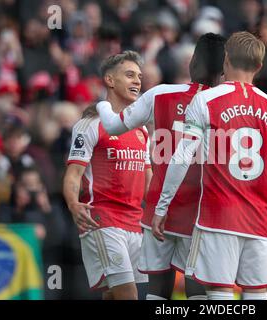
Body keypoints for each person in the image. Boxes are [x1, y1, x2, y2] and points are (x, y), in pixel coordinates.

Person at [152, 31, 267, 300]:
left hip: (217, 219)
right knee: (256, 294)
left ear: (226, 59)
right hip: (258, 220)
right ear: (259, 66)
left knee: (219, 294)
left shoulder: (205, 101)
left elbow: (182, 157)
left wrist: (162, 206)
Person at [96, 33, 227, 300]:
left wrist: (100, 104)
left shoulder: (160, 94)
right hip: (203, 213)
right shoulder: (227, 104)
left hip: (159, 209)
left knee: (157, 294)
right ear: (224, 70)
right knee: (198, 292)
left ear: (192, 64)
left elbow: (111, 125)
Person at [63, 51, 152, 300]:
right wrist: (72, 203)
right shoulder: (90, 124)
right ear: (110, 80)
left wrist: (162, 209)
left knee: (114, 294)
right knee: (128, 294)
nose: (137, 81)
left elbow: (147, 177)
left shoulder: (141, 128)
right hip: (102, 219)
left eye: (139, 77)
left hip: (135, 222)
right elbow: (74, 173)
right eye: (129, 75)